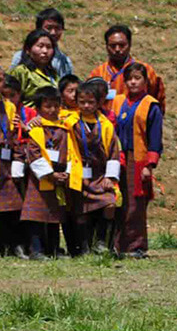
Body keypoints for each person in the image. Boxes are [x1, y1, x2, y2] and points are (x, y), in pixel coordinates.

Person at [111, 63, 163, 259]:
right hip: (118, 157)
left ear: (145, 81)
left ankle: (136, 245)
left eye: (137, 78)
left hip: (139, 159)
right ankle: (116, 245)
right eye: (129, 78)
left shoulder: (151, 105)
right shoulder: (117, 102)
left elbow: (155, 137)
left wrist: (149, 164)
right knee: (118, 201)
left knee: (135, 204)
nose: (133, 82)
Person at [65, 78, 120, 255]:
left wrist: (110, 177)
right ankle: (84, 247)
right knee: (80, 211)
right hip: (79, 175)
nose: (86, 106)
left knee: (110, 203)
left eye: (91, 102)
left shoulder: (105, 125)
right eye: (82, 102)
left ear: (98, 102)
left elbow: (113, 152)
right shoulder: (69, 121)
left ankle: (103, 242)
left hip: (100, 175)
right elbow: (48, 122)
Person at [21, 86, 69, 260]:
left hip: (58, 180)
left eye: (56, 105)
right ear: (38, 108)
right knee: (37, 215)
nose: (52, 110)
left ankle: (54, 249)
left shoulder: (64, 129)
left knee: (55, 216)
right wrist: (50, 174)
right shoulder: (35, 130)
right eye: (47, 106)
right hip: (39, 180)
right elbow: (33, 154)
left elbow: (71, 153)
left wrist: (66, 173)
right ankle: (36, 250)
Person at [89, 25, 167, 114]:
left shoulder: (146, 70)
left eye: (122, 45)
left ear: (130, 45)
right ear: (106, 46)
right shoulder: (98, 73)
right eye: (113, 46)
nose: (117, 49)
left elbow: (157, 99)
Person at [0, 83, 26, 257]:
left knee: (13, 206)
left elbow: (12, 134)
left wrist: (16, 160)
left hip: (6, 162)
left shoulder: (8, 106)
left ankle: (16, 245)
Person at [9, 8, 74, 77]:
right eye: (49, 28)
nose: (53, 33)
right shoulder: (20, 57)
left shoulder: (65, 61)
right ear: (38, 28)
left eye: (57, 28)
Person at [8, 29, 58, 107]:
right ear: (28, 50)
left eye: (49, 47)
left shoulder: (53, 74)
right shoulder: (21, 72)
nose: (45, 51)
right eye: (40, 46)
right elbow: (8, 98)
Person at [1, 75, 37, 144]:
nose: (8, 100)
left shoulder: (31, 113)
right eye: (4, 96)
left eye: (12, 95)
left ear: (19, 94)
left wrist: (24, 127)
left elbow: (39, 139)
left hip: (23, 151)